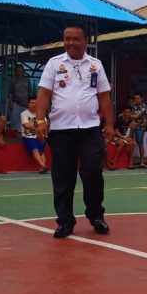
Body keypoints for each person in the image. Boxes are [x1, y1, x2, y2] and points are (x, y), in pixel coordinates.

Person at [35, 23, 114, 238]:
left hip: (90, 129)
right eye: (67, 38)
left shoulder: (96, 65)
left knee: (92, 172)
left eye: (75, 39)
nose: (71, 43)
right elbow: (43, 93)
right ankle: (65, 222)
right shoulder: (54, 64)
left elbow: (104, 96)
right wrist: (40, 120)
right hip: (61, 130)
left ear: (85, 41)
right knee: (63, 177)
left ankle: (96, 215)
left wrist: (109, 124)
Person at [20, 96, 49, 174]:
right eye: (31, 103)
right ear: (28, 104)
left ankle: (42, 167)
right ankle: (43, 165)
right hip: (28, 137)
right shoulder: (24, 114)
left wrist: (37, 126)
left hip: (40, 136)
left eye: (35, 103)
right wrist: (39, 125)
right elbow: (26, 125)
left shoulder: (41, 113)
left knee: (41, 151)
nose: (33, 105)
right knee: (35, 149)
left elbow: (45, 124)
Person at [9, 64, 32, 132]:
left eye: (21, 71)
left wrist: (30, 102)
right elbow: (10, 92)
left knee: (26, 118)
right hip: (16, 103)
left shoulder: (27, 79)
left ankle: (25, 132)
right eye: (18, 71)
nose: (19, 72)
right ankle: (17, 133)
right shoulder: (12, 80)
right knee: (15, 118)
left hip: (25, 103)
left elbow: (30, 91)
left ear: (23, 71)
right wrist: (10, 102)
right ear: (15, 72)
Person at [131, 93, 147, 168]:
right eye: (135, 98)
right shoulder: (133, 106)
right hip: (132, 127)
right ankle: (130, 161)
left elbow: (136, 116)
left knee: (140, 144)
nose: (136, 100)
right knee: (132, 143)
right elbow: (132, 116)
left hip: (140, 128)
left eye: (138, 98)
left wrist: (126, 114)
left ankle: (142, 161)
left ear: (141, 99)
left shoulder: (144, 106)